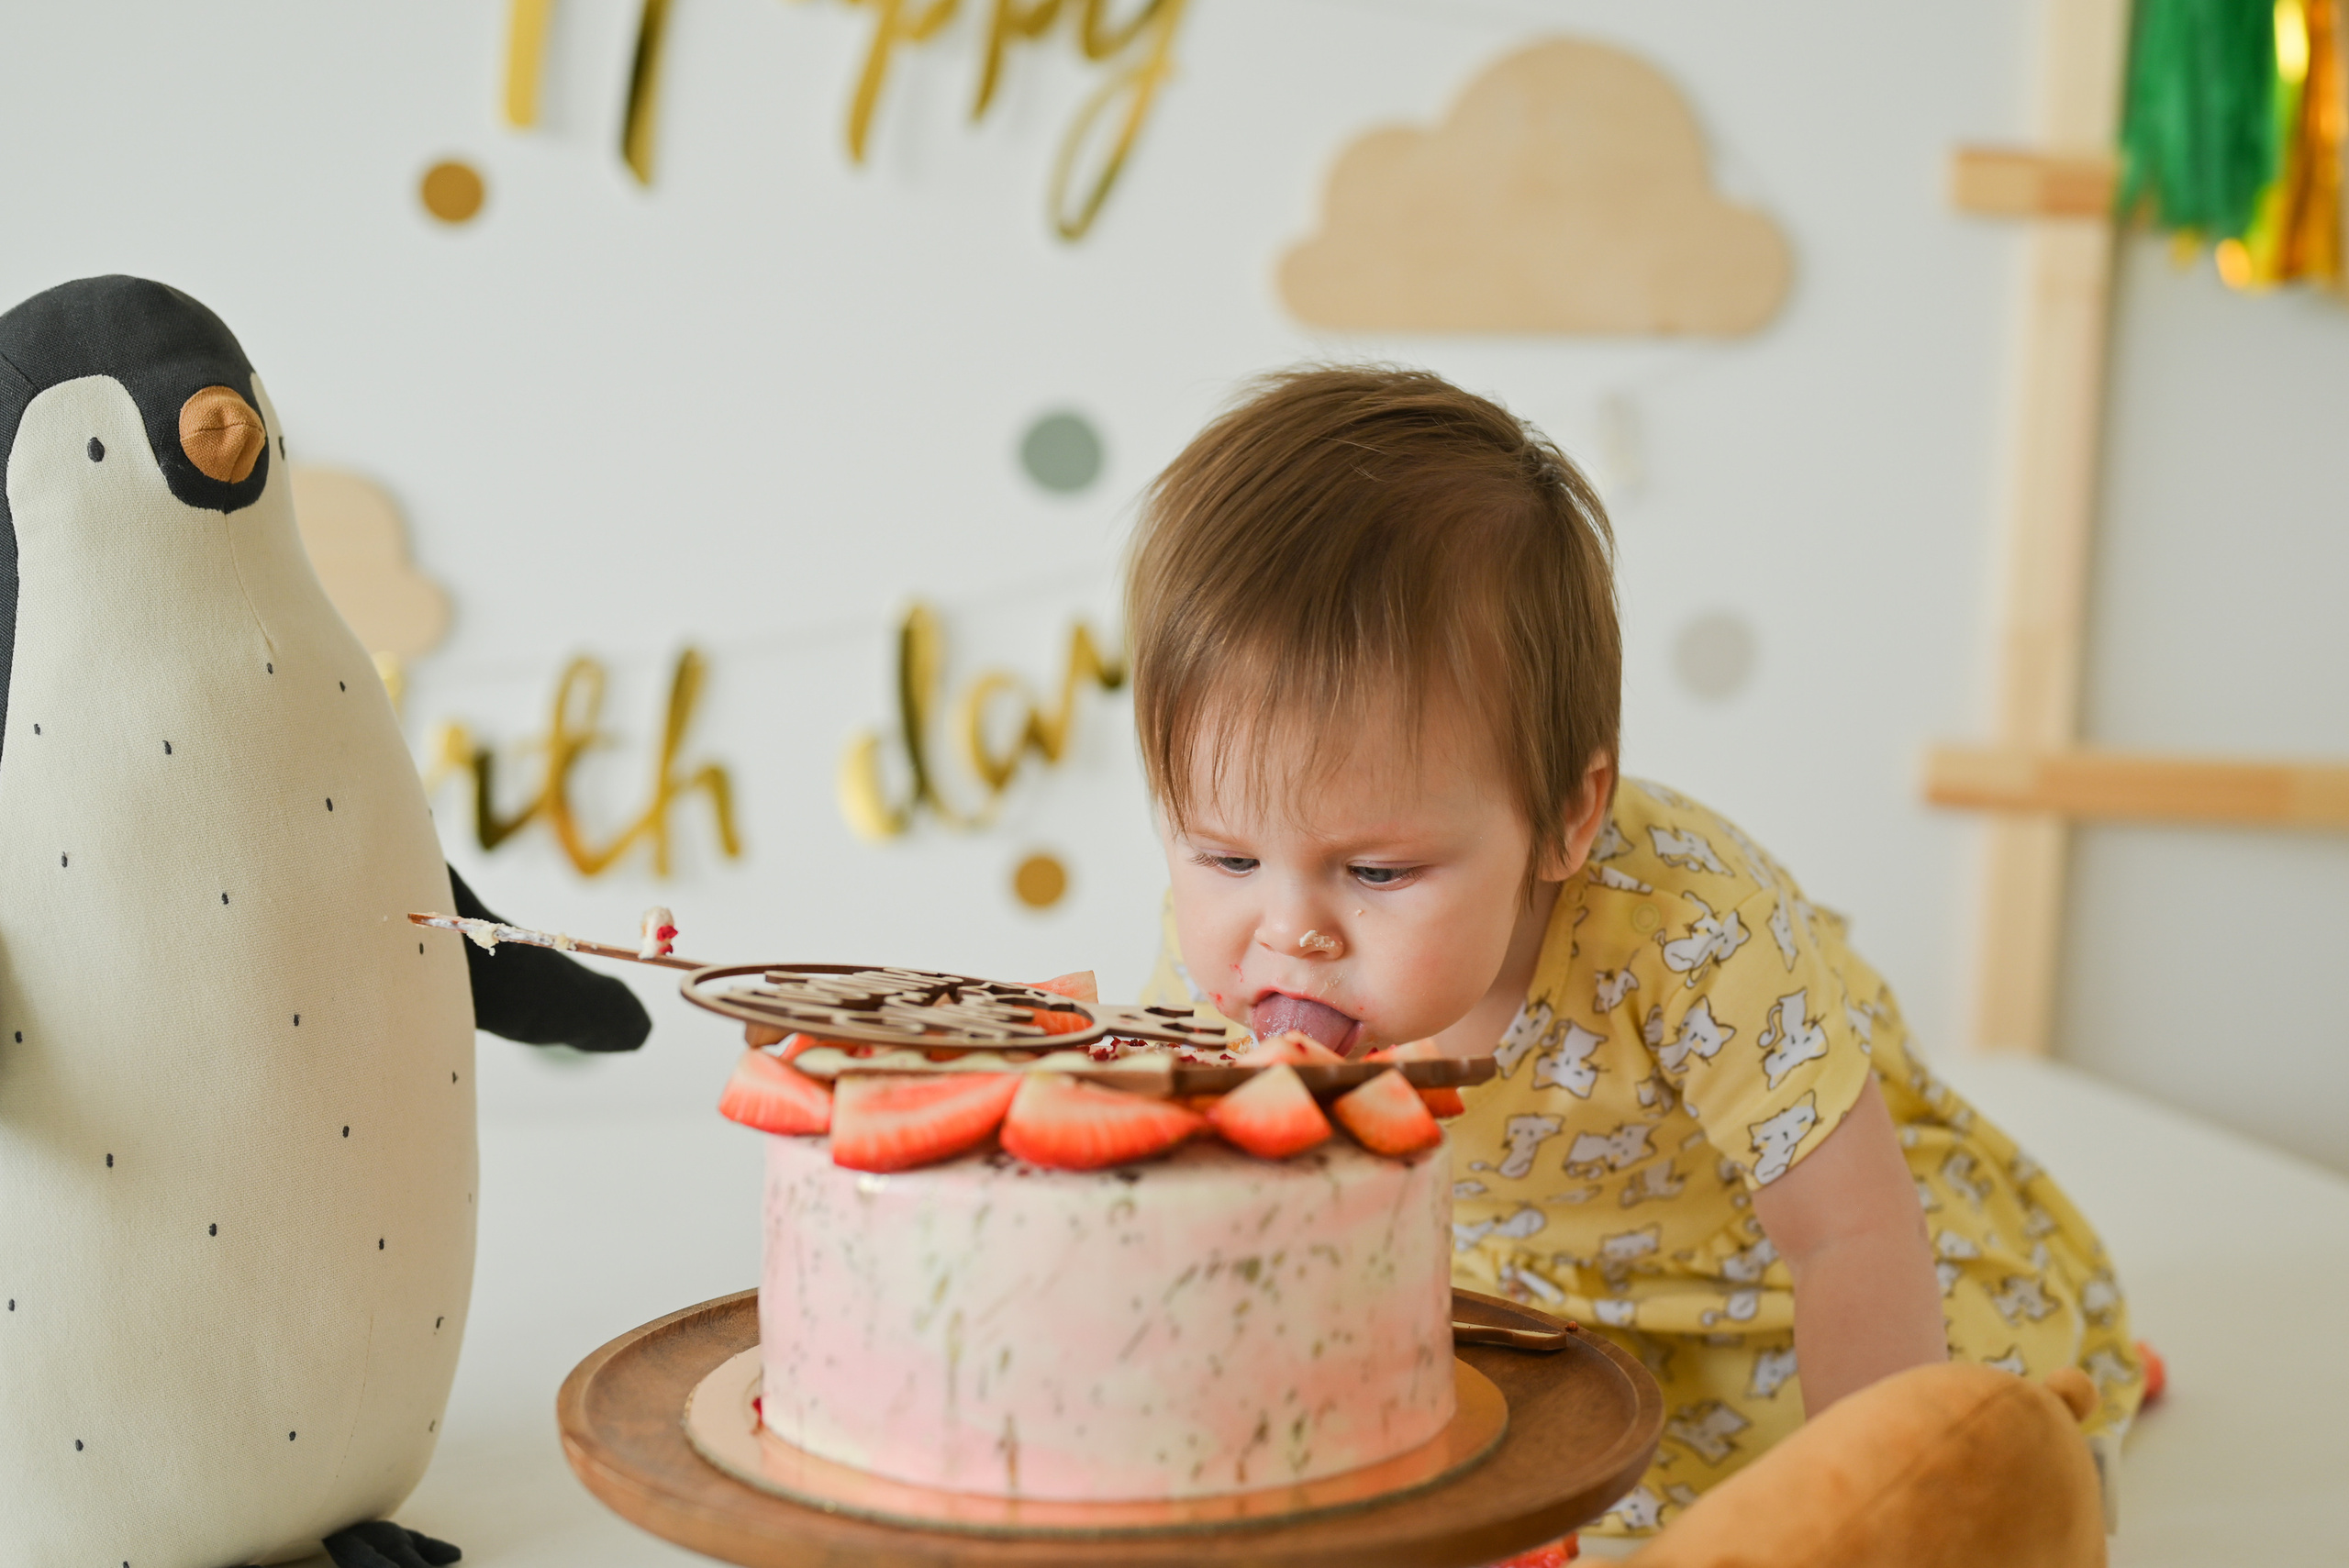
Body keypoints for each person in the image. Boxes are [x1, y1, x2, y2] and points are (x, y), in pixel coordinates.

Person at [1126, 364, 2143, 1540]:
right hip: (1537, 1308)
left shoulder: (1689, 928)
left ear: (1564, 814)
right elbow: (1205, 1205)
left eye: (1378, 872)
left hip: (1782, 1275)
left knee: (1971, 1434)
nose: (1287, 932)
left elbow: (1851, 1232)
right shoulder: (1226, 949)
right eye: (1223, 855)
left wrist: (1870, 1494)